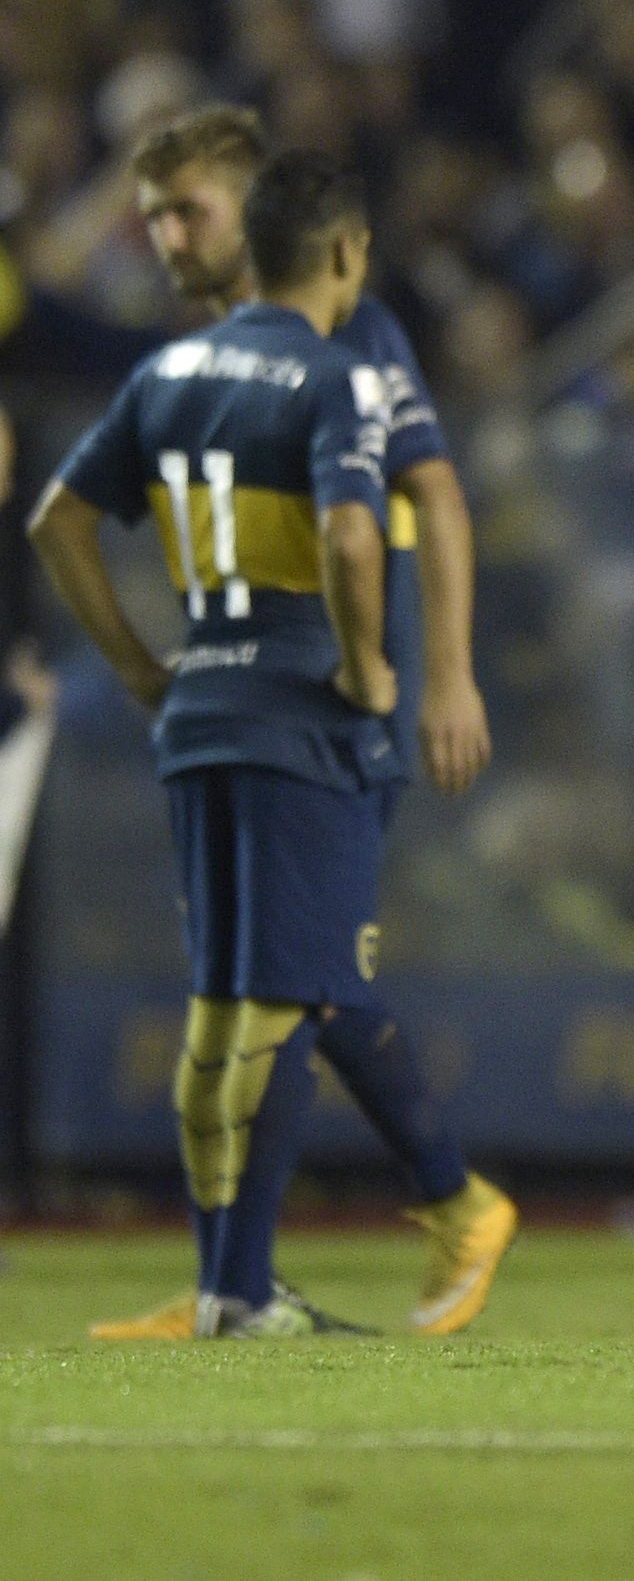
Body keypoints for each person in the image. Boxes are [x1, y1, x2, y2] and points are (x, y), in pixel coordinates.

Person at [84, 106, 514, 1343]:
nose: (168, 237)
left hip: (333, 696)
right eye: (154, 216)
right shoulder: (221, 346)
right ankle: (242, 1282)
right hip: (257, 695)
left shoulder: (351, 327)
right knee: (277, 987)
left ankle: (384, 1226)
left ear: (254, 207)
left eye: (191, 211)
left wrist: (444, 675)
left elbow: (431, 494)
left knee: (286, 985)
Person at [29, 153, 426, 1336]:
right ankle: (238, 1294)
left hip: (196, 705)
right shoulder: (335, 372)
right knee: (274, 1006)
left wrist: (143, 664)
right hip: (295, 712)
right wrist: (363, 670)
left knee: (219, 1005)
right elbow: (355, 541)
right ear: (346, 252)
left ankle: (226, 1285)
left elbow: (59, 522)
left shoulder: (167, 369)